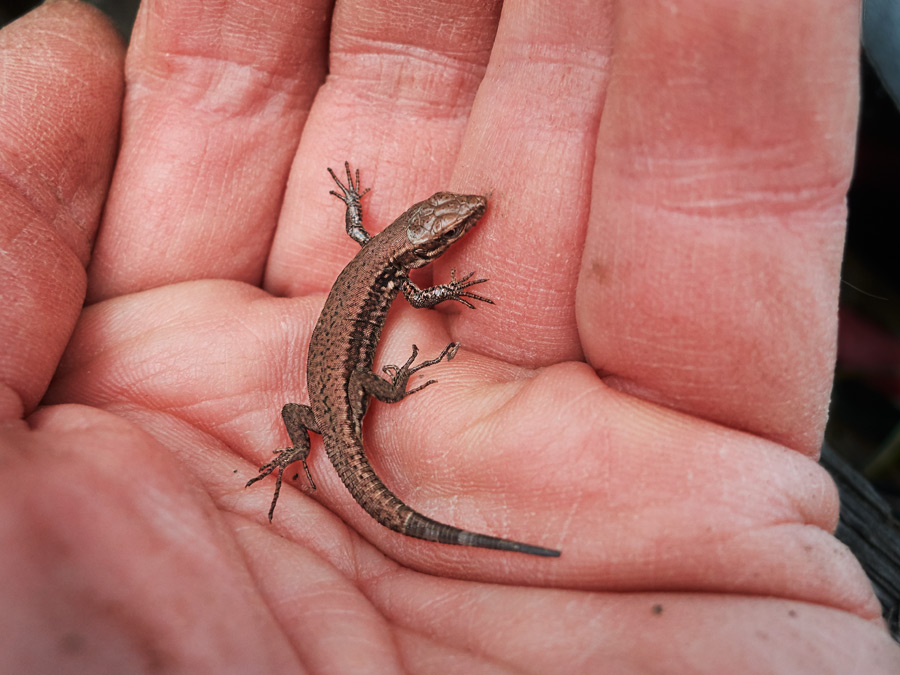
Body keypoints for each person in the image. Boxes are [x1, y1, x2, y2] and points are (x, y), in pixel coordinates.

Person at [2, 0, 897, 671]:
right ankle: (311, 457)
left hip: (327, 402)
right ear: (425, 242)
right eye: (449, 228)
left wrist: (370, 229)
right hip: (343, 396)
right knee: (361, 398)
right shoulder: (405, 274)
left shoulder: (387, 259)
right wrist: (449, 291)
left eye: (451, 226)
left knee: (314, 416)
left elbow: (371, 247)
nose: (461, 222)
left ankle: (292, 456)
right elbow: (408, 287)